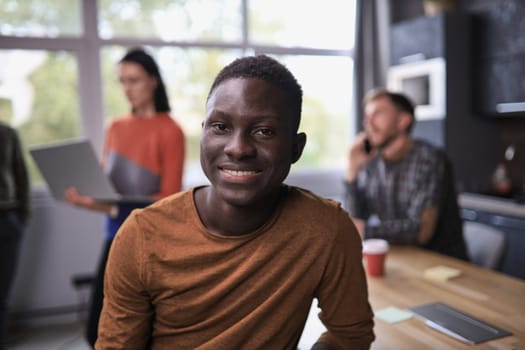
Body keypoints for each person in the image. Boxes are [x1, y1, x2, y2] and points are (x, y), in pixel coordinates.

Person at [95, 55, 375, 349]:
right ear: (203, 134)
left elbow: (350, 334)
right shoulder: (141, 236)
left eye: (264, 131)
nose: (238, 148)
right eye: (220, 127)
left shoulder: (326, 230)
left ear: (296, 148)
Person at [64, 47, 185, 347]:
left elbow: (169, 198)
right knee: (97, 329)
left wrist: (121, 203)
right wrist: (86, 201)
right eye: (122, 81)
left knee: (150, 330)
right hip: (116, 237)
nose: (127, 88)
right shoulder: (115, 127)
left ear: (153, 81)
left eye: (134, 80)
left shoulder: (171, 131)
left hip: (155, 241)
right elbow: (111, 201)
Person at [344, 88, 468, 260]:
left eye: (377, 114)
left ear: (403, 121)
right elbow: (358, 217)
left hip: (440, 264)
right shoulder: (372, 161)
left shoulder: (429, 159)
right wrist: (352, 170)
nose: (368, 123)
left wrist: (364, 230)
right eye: (367, 116)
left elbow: (422, 231)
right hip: (402, 258)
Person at [0, 122, 30, 350]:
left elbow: (21, 176)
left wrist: (22, 218)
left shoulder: (7, 133)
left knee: (1, 295)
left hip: (7, 218)